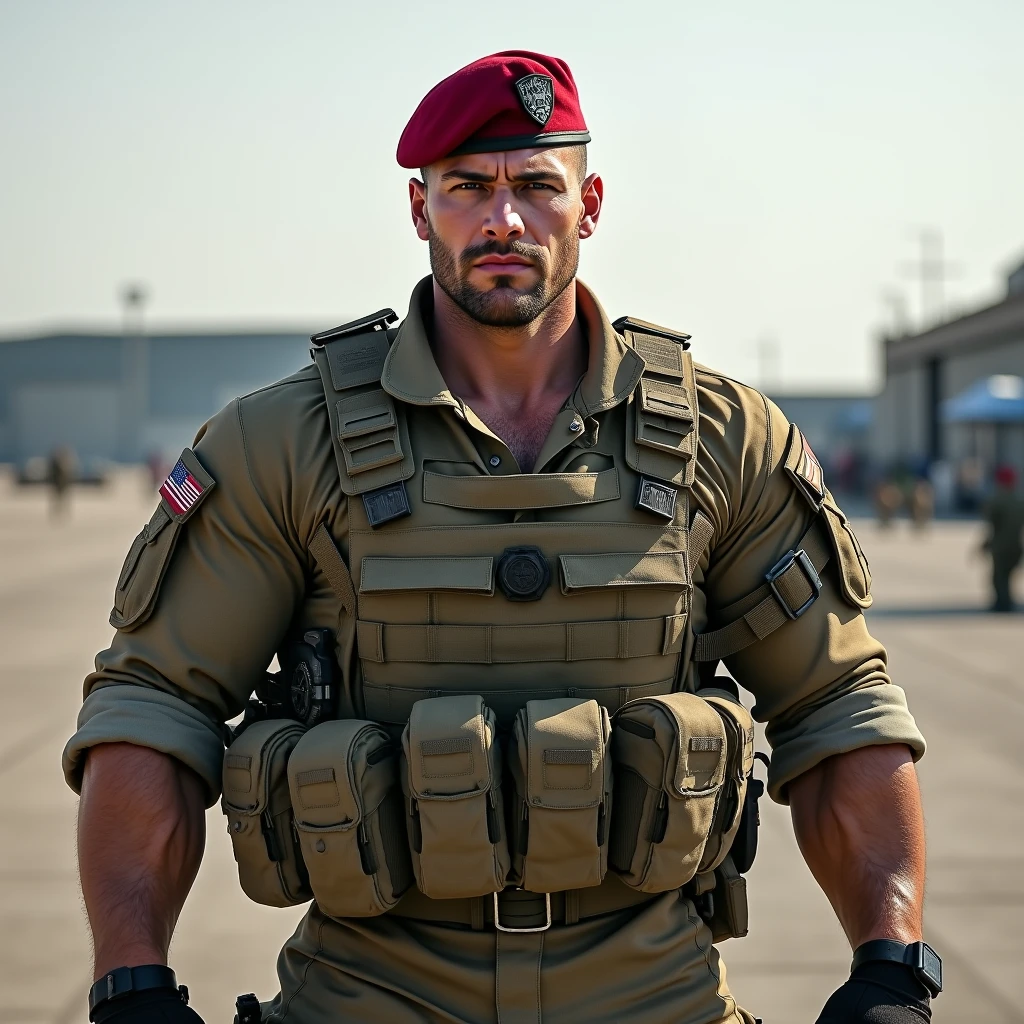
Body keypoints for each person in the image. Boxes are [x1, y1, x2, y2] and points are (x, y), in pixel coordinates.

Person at [64, 51, 938, 1024]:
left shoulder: (722, 438)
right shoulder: (283, 444)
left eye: (535, 185)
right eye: (468, 188)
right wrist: (131, 979)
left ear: (591, 202)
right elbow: (154, 706)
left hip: (655, 998)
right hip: (368, 1000)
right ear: (418, 206)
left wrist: (890, 963)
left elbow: (837, 705)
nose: (503, 221)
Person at [981, 465, 1024, 612]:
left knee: (999, 577)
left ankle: (1002, 603)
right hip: (1016, 546)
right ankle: (1007, 602)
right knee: (1009, 575)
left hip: (1000, 546)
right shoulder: (1019, 500)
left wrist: (985, 544)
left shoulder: (997, 500)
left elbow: (992, 525)